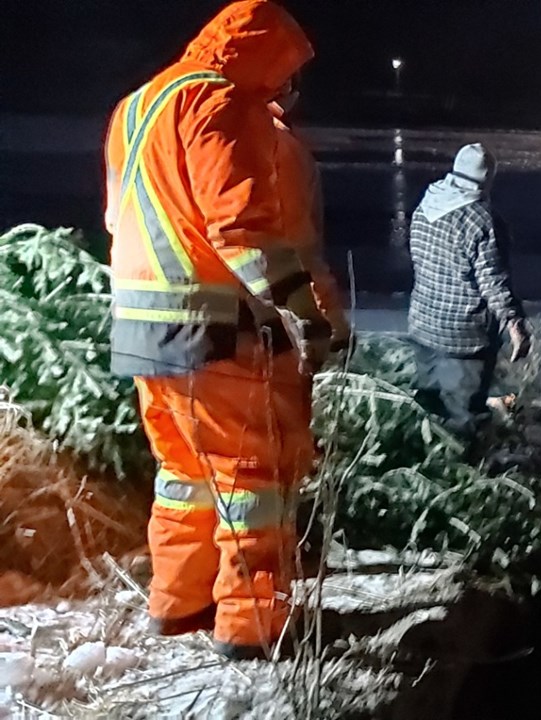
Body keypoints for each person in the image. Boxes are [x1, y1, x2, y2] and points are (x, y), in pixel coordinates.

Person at [103, 0, 329, 660]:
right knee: (251, 478)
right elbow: (241, 228)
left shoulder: (136, 106)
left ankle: (178, 605)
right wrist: (304, 314)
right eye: (284, 72)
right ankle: (253, 629)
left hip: (142, 325)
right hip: (212, 326)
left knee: (183, 474)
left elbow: (120, 218)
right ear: (260, 54)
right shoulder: (216, 103)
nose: (286, 90)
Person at [406, 143, 531, 437]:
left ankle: (428, 465)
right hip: (464, 338)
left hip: (423, 326)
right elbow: (493, 281)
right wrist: (515, 323)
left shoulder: (427, 203)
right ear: (487, 178)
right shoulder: (483, 220)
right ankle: (462, 468)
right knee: (464, 417)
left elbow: (418, 256)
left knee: (428, 409)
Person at [270, 75, 352, 356]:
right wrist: (334, 322)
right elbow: (301, 249)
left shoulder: (225, 134)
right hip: (280, 320)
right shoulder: (280, 147)